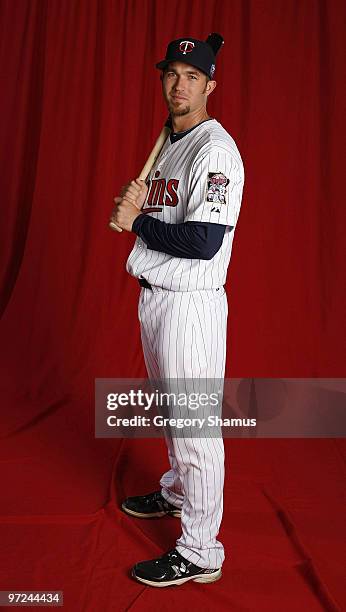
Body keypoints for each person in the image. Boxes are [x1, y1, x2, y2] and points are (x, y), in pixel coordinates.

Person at [110, 35, 245, 587]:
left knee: (194, 429)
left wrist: (137, 220)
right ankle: (177, 494)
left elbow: (205, 239)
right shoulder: (171, 139)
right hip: (156, 297)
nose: (179, 84)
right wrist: (141, 209)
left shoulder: (215, 150)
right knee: (173, 418)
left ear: (210, 85)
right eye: (171, 73)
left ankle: (201, 550)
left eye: (192, 75)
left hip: (190, 306)